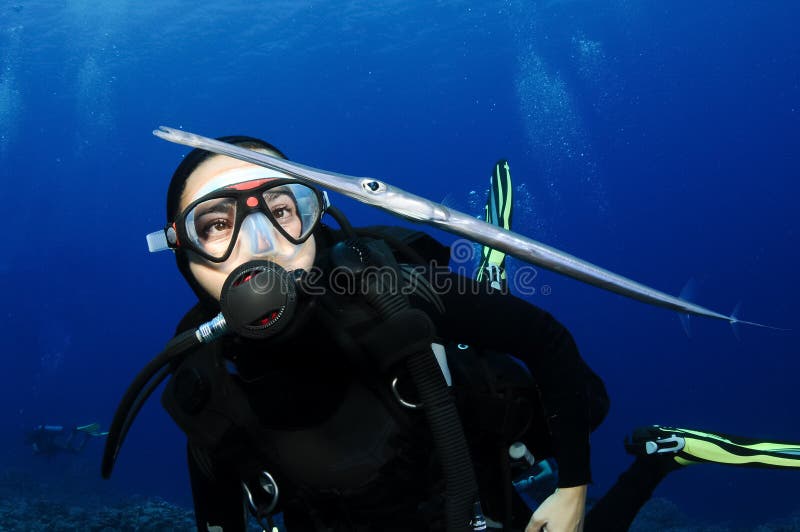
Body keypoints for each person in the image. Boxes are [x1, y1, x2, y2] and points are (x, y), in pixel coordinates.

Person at [132, 138, 609, 532]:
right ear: (181, 249)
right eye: (216, 224)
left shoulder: (392, 287)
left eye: (282, 208)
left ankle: (490, 278)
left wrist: (572, 491)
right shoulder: (200, 376)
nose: (263, 245)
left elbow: (546, 339)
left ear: (315, 215)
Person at [26, 422, 107, 456]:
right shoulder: (37, 440)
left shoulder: (35, 444)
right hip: (54, 441)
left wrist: (35, 453)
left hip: (53, 443)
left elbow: (39, 449)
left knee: (71, 448)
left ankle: (76, 433)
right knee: (76, 451)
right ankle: (87, 436)